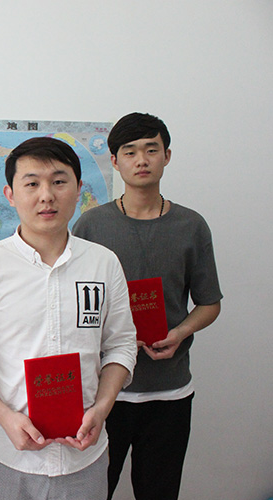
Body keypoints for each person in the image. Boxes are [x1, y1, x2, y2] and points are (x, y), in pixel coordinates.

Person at [0, 137, 138, 499]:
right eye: (32, 183)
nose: (46, 196)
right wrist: (5, 417)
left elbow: (121, 345)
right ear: (10, 194)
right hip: (6, 453)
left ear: (79, 188)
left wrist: (103, 408)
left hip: (84, 457)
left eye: (58, 181)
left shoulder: (103, 263)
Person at [73, 112, 222, 500]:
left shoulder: (191, 226)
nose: (141, 160)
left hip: (169, 390)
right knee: (92, 492)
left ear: (167, 156)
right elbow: (73, 305)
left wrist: (180, 332)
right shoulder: (91, 226)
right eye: (130, 151)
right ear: (115, 161)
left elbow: (209, 303)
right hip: (103, 393)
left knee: (160, 492)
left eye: (151, 150)